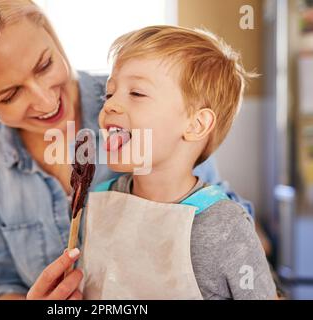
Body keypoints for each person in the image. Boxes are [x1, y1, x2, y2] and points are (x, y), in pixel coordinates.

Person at [0, 0, 253, 300]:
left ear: (50, 34)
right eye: (9, 95)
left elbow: (225, 228)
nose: (46, 101)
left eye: (45, 65)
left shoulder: (140, 105)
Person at [89, 25, 276, 299]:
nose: (110, 106)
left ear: (196, 124)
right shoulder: (99, 202)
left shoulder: (224, 225)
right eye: (109, 93)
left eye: (137, 93)